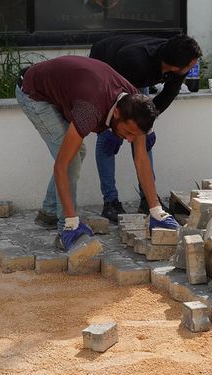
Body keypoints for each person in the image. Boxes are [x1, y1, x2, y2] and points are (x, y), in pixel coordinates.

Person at [15, 55, 179, 250]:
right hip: (34, 92)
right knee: (72, 158)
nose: (128, 140)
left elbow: (141, 159)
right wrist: (71, 222)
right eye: (127, 133)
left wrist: (156, 210)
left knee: (76, 152)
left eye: (133, 136)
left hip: (68, 89)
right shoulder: (89, 111)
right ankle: (65, 228)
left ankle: (50, 211)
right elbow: (62, 165)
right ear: (116, 113)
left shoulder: (137, 106)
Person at [83, 34, 202, 223]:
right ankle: (110, 202)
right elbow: (121, 99)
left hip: (138, 78)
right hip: (108, 69)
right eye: (190, 66)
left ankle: (148, 200)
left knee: (143, 138)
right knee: (107, 139)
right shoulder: (135, 60)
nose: (193, 68)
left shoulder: (181, 64)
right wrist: (113, 129)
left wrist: (149, 126)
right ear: (174, 66)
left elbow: (167, 96)